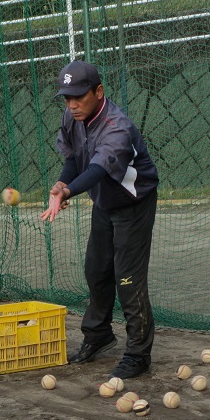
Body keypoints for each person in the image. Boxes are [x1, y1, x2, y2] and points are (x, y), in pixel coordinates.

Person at [40, 60, 159, 380]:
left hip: (133, 204)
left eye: (79, 96)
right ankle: (98, 335)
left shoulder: (116, 126)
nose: (72, 104)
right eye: (66, 97)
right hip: (105, 202)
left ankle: (138, 354)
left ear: (99, 91)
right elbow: (73, 161)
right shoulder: (72, 117)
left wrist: (67, 192)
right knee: (96, 268)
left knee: (127, 279)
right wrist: (63, 184)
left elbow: (96, 171)